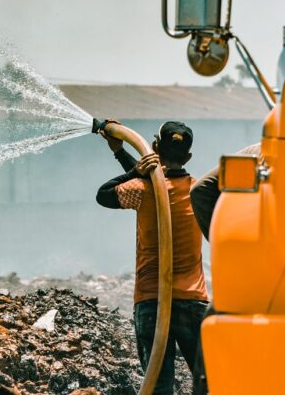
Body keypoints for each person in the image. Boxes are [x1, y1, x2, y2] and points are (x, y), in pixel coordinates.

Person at [96, 120, 209, 395]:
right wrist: (125, 157)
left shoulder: (141, 190)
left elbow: (104, 195)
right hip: (193, 302)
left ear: (154, 147)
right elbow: (157, 183)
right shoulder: (199, 192)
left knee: (158, 388)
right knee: (211, 383)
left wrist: (131, 164)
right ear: (189, 157)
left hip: (152, 302)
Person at [189, 143, 261, 240]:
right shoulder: (260, 154)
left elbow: (200, 189)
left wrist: (223, 242)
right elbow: (200, 189)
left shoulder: (256, 152)